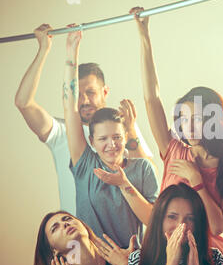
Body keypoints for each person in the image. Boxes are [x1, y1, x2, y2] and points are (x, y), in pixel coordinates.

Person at [129, 7, 223, 265]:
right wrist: (144, 36)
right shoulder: (174, 150)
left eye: (198, 118)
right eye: (183, 118)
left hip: (209, 262)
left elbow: (217, 226)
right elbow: (151, 99)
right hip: (163, 255)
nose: (188, 126)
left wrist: (197, 181)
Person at [15, 24, 154, 215]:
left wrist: (130, 132)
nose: (84, 100)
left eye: (90, 92)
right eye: (78, 95)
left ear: (105, 92)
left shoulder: (123, 131)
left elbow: (149, 178)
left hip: (125, 241)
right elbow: (23, 102)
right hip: (76, 238)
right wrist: (43, 50)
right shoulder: (60, 131)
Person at [63, 26, 159, 249]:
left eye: (116, 137)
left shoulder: (142, 169)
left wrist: (124, 183)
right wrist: (71, 52)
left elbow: (153, 222)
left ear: (125, 136)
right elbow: (70, 106)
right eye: (103, 139)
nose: (111, 144)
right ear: (92, 142)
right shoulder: (85, 164)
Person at [127, 183, 223, 265]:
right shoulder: (138, 259)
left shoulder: (215, 258)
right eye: (172, 217)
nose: (182, 225)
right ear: (159, 220)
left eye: (190, 218)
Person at [32, 211, 136, 265]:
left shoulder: (127, 257)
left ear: (83, 226)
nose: (65, 224)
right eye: (55, 228)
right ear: (54, 250)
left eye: (67, 219)